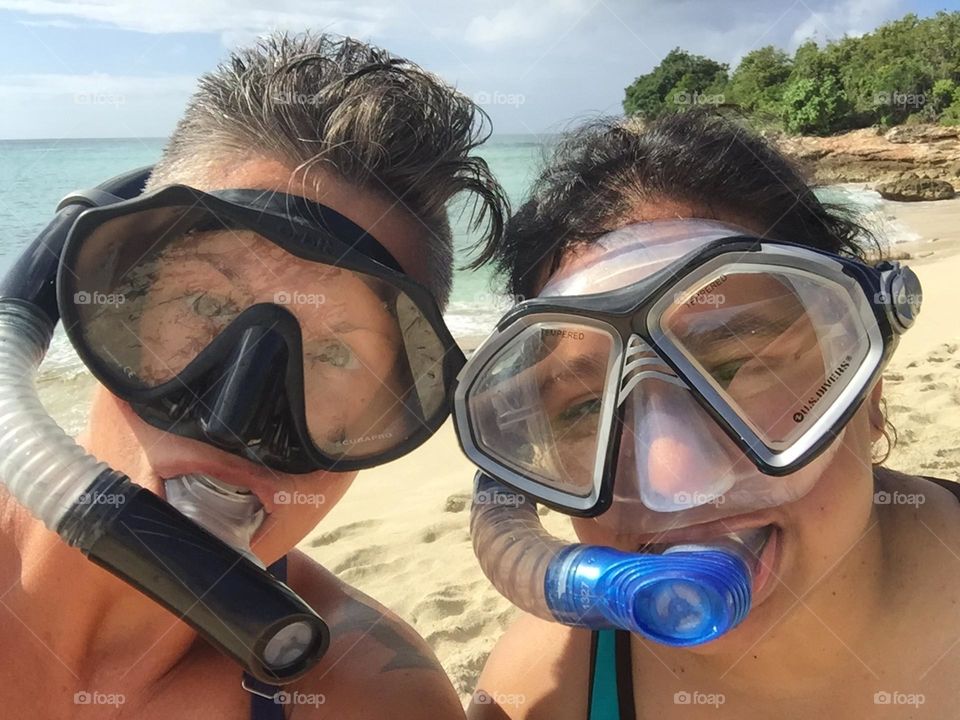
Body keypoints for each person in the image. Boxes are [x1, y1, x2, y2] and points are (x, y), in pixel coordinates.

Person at [0, 32, 505, 719]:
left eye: (333, 354)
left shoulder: (369, 699)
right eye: (206, 305)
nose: (234, 421)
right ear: (114, 300)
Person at [455, 110, 957, 719]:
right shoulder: (537, 701)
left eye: (741, 366)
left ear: (869, 391)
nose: (675, 485)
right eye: (588, 406)